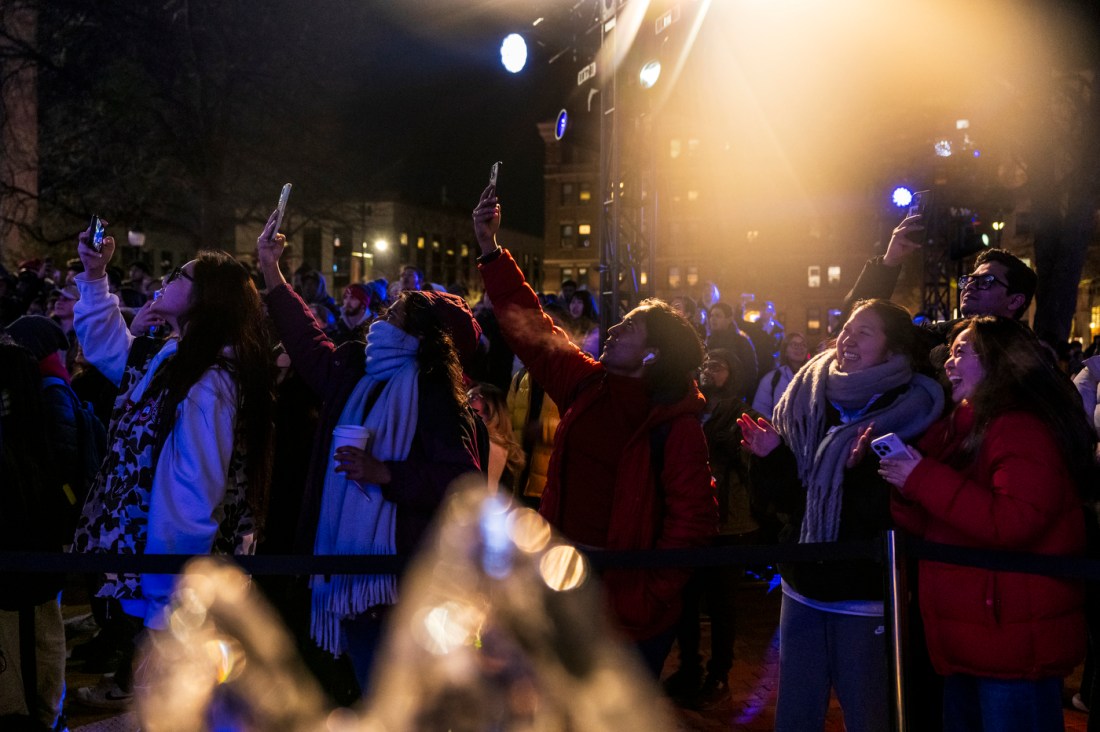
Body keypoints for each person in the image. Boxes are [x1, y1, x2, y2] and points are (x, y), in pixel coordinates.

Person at [473, 184, 716, 679]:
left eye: (628, 329)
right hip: (564, 582)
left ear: (653, 356)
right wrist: (490, 249)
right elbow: (532, 330)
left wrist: (644, 596)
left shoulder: (678, 425)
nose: (612, 330)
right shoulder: (588, 383)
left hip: (631, 609)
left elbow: (693, 525)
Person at [256, 209, 483, 693]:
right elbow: (309, 346)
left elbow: (465, 483)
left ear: (421, 336)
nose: (383, 316)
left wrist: (387, 473)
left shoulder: (434, 394)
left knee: (393, 695)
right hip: (344, 563)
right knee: (361, 685)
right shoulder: (357, 369)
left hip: (401, 579)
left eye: (395, 312)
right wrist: (272, 274)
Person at [69, 225, 276, 709]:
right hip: (156, 577)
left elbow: (192, 495)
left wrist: (168, 601)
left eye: (181, 276)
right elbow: (111, 351)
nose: (167, 278)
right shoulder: (175, 355)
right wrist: (95, 276)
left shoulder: (210, 382)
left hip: (176, 591)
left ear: (207, 299)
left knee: (176, 707)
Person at [738, 299, 944, 731]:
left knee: (868, 713)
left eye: (864, 332)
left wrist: (862, 472)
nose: (848, 339)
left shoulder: (915, 409)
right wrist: (770, 456)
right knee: (796, 712)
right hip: (802, 584)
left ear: (892, 349)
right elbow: (780, 502)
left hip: (863, 594)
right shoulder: (806, 396)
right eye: (847, 328)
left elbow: (904, 515)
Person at [880, 317, 1093, 732]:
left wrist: (921, 478)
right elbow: (933, 524)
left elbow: (1016, 521)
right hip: (977, 635)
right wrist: (906, 484)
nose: (949, 364)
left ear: (998, 361)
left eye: (962, 352)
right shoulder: (961, 427)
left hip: (1010, 641)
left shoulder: (1020, 427)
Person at [663, 348, 759, 710]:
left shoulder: (741, 413)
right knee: (685, 601)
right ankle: (690, 668)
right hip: (690, 518)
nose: (708, 370)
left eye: (717, 366)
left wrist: (734, 448)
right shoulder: (690, 407)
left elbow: (755, 458)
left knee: (721, 606)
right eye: (705, 364)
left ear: (732, 373)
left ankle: (719, 674)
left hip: (727, 522)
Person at [468, 382, 525, 493]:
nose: (466, 399)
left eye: (473, 397)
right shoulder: (493, 443)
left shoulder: (491, 445)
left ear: (491, 407)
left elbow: (485, 493)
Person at [705, 302, 758, 402]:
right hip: (710, 398)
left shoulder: (741, 341)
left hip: (734, 398)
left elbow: (751, 372)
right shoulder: (708, 340)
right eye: (711, 315)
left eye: (718, 316)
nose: (713, 319)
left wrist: (738, 394)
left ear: (729, 319)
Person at [752, 332, 810, 419]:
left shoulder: (813, 378)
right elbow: (760, 411)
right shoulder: (771, 380)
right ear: (785, 350)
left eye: (803, 345)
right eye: (794, 344)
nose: (799, 348)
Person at [566, 289, 600, 357]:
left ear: (587, 305)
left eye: (579, 302)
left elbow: (590, 354)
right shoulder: (569, 325)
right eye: (573, 302)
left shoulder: (594, 329)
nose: (575, 306)